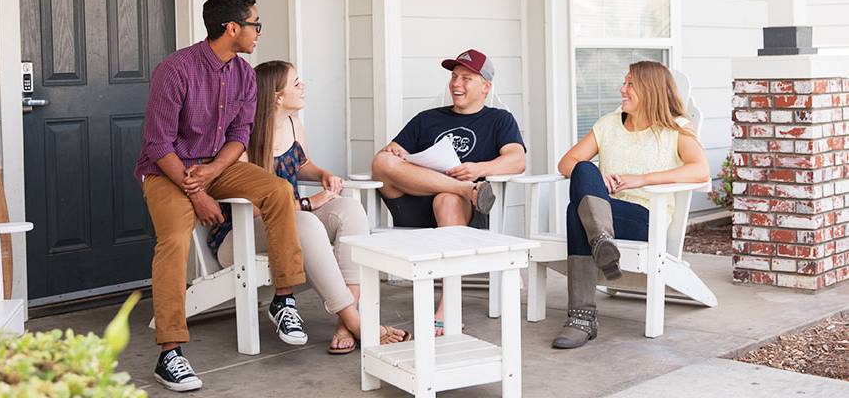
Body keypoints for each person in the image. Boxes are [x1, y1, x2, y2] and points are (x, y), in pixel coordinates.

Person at [135, 0, 308, 392]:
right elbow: (158, 145)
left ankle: (284, 298)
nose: (259, 33)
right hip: (166, 171)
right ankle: (170, 353)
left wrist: (211, 173)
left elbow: (239, 135)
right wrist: (196, 192)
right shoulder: (175, 70)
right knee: (174, 242)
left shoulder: (246, 74)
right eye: (255, 25)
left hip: (216, 166)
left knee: (279, 191)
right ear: (232, 28)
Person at [207, 60, 410, 354]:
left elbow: (300, 164)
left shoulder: (292, 123)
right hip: (238, 236)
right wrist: (307, 203)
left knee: (350, 210)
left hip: (291, 222)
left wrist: (322, 175)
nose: (304, 87)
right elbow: (252, 211)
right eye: (297, 83)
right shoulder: (243, 139)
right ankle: (355, 320)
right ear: (277, 96)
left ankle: (347, 320)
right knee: (306, 222)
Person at [552, 60, 709, 349]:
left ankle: (581, 318)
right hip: (604, 216)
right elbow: (566, 163)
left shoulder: (676, 129)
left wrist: (643, 179)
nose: (621, 89)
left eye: (629, 84)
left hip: (646, 218)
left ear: (649, 90)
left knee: (576, 212)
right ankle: (602, 241)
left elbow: (700, 170)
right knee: (584, 170)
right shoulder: (608, 125)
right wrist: (598, 180)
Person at [371, 49, 526, 334]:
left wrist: (478, 168)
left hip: (460, 215)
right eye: (454, 77)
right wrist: (394, 151)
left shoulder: (499, 120)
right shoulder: (426, 119)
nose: (456, 84)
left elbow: (517, 160)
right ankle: (465, 189)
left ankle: (447, 306)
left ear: (485, 87)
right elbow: (388, 159)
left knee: (446, 199)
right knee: (381, 161)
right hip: (415, 206)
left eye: (467, 78)